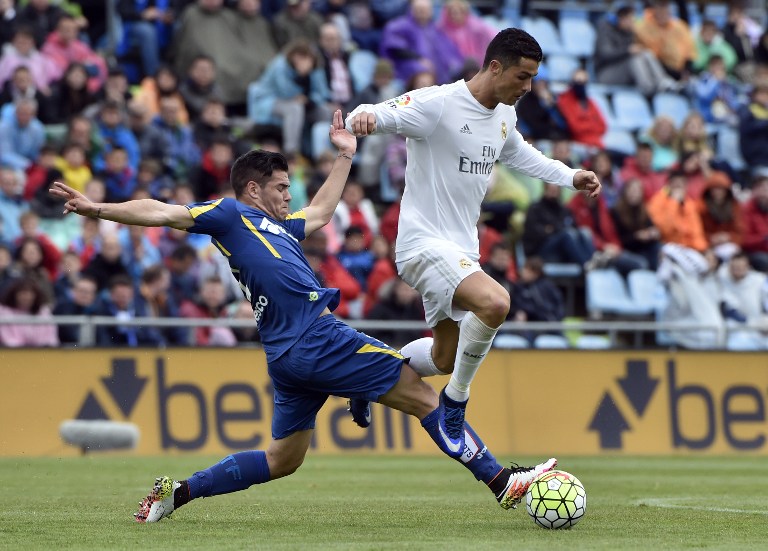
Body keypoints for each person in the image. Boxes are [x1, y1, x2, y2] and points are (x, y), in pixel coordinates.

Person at [49, 109, 557, 523]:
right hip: (315, 338)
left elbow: (321, 214)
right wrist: (99, 209)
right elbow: (162, 211)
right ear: (253, 189)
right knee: (428, 399)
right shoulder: (231, 215)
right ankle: (501, 481)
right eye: (280, 187)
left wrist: (344, 157)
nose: (288, 195)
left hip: (288, 355)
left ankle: (176, 494)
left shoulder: (281, 228)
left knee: (283, 460)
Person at [346, 28, 601, 453]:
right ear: (495, 67)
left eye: (533, 78)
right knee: (496, 302)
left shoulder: (504, 114)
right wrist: (363, 118)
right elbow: (376, 111)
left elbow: (520, 153)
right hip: (423, 245)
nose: (529, 87)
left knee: (445, 357)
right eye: (523, 76)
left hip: (461, 250)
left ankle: (368, 375)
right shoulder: (438, 104)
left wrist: (570, 176)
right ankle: (455, 401)